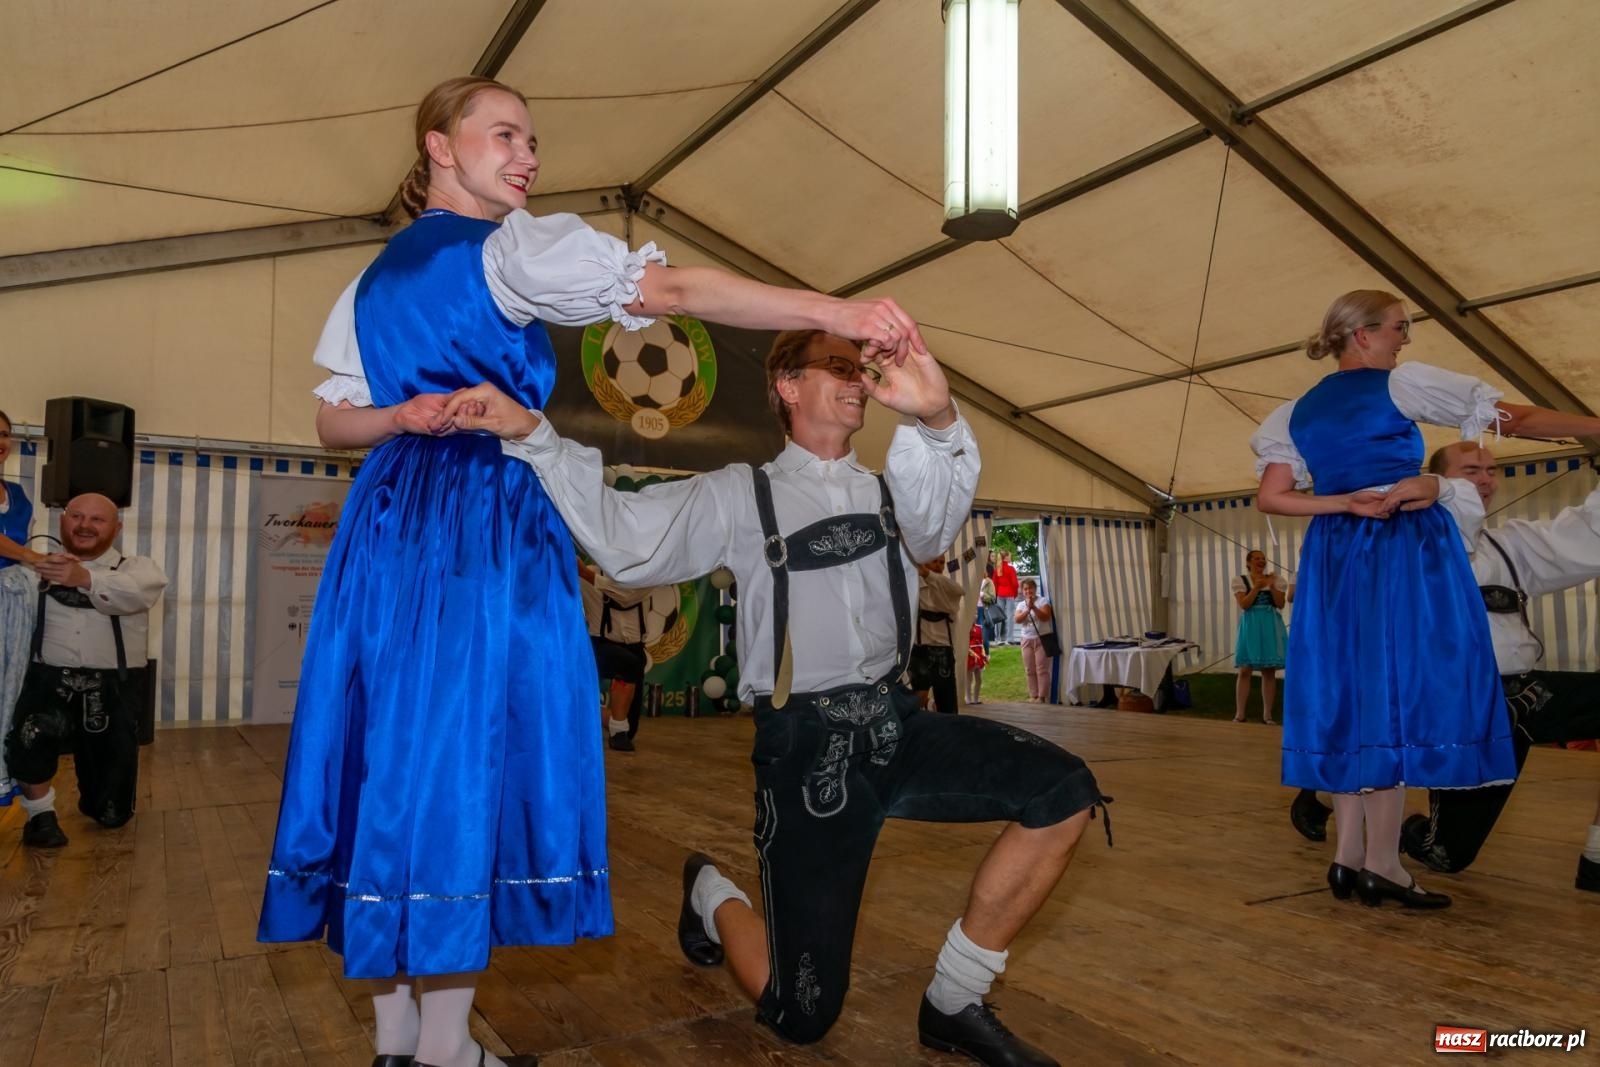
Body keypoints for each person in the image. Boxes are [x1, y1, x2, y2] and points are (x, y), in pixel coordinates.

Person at [256, 76, 930, 1067]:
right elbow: (678, 292)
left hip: (390, 518)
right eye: (505, 134)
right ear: (439, 146)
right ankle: (438, 1048)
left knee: (395, 758)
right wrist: (836, 308)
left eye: (533, 139)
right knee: (467, 759)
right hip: (478, 516)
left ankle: (400, 1039)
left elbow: (330, 421)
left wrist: (398, 419)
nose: (527, 154)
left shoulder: (377, 277)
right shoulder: (504, 248)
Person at [443, 329, 1108, 1067]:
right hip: (805, 748)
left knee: (1065, 790)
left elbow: (939, 517)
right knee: (801, 1015)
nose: (856, 380)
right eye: (836, 367)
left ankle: (954, 997)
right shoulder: (739, 492)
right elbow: (625, 538)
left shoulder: (894, 491)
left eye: (860, 369)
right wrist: (537, 436)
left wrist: (939, 416)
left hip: (899, 726)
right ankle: (711, 890)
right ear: (787, 386)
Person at [1253, 288, 1597, 910]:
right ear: (1363, 335)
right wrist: (1595, 427)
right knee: (1394, 695)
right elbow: (1512, 418)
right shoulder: (1400, 385)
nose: (1405, 339)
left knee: (1356, 697)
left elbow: (1273, 498)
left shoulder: (1294, 412)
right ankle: (1382, 862)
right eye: (1398, 328)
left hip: (1334, 551)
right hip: (1398, 540)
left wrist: (1341, 501)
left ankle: (1351, 855)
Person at [1394, 443, 1600, 889]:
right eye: (1471, 470)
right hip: (1464, 713)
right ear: (1439, 483)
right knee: (1449, 856)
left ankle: (1597, 856)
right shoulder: (1404, 547)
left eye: (1491, 470)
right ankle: (1392, 824)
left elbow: (1587, 534)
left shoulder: (1507, 545)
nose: (1486, 480)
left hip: (1525, 698)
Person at [3, 494, 166, 847]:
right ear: (62, 522)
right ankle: (40, 815)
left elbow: (137, 594)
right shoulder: (36, 567)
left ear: (116, 527)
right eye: (76, 516)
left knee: (111, 812)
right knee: (30, 740)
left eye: (97, 519)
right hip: (47, 676)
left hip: (114, 684)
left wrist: (83, 577)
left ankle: (104, 803)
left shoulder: (137, 567)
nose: (85, 525)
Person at [0, 409, 47, 803]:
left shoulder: (16, 494)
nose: (0, 442)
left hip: (13, 607)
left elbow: (20, 547)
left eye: (3, 434)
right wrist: (34, 560)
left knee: (10, 692)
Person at [584, 561, 657, 752]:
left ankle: (586, 711)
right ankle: (617, 732)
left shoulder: (644, 576)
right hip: (599, 647)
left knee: (629, 728)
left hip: (635, 649)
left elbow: (625, 596)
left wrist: (584, 574)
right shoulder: (588, 573)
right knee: (628, 664)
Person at [1230, 550, 1287, 724]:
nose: (1261, 561)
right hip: (1251, 624)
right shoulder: (1240, 580)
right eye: (1257, 559)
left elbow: (1280, 604)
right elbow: (1244, 605)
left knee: (1269, 670)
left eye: (1263, 559)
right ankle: (1240, 714)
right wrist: (1256, 587)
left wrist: (1270, 586)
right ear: (1248, 563)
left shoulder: (1276, 580)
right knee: (1245, 669)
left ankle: (1267, 715)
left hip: (1270, 623)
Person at [910, 554, 963, 714]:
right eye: (934, 561)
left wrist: (927, 574)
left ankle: (950, 734)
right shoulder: (913, 589)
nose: (939, 566)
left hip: (943, 653)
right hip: (919, 651)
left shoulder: (948, 587)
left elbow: (959, 591)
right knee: (916, 703)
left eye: (942, 563)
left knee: (947, 705)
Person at [1014, 579, 1054, 703]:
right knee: (1030, 669)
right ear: (1022, 590)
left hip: (1042, 638)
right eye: (1025, 589)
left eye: (1030, 588)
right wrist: (1027, 609)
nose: (1028, 591)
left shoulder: (1043, 601)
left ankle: (1042, 696)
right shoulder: (1020, 605)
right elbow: (1017, 620)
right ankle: (1033, 695)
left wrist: (1034, 607)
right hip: (1026, 639)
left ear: (1035, 589)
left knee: (1042, 669)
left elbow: (1046, 617)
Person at [992, 550, 1019, 643]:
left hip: (1000, 594)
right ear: (1006, 557)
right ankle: (1009, 638)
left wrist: (996, 594)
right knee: (1010, 616)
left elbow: (994, 583)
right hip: (1010, 594)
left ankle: (998, 639)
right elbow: (1015, 584)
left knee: (999, 617)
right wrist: (1015, 594)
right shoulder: (1011, 569)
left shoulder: (997, 569)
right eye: (1009, 556)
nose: (1010, 558)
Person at [966, 619, 989, 706]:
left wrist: (984, 654)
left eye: (976, 614)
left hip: (979, 652)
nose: (974, 616)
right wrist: (970, 652)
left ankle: (976, 698)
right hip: (970, 653)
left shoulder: (979, 627)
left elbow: (982, 641)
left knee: (979, 678)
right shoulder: (966, 628)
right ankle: (968, 698)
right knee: (969, 678)